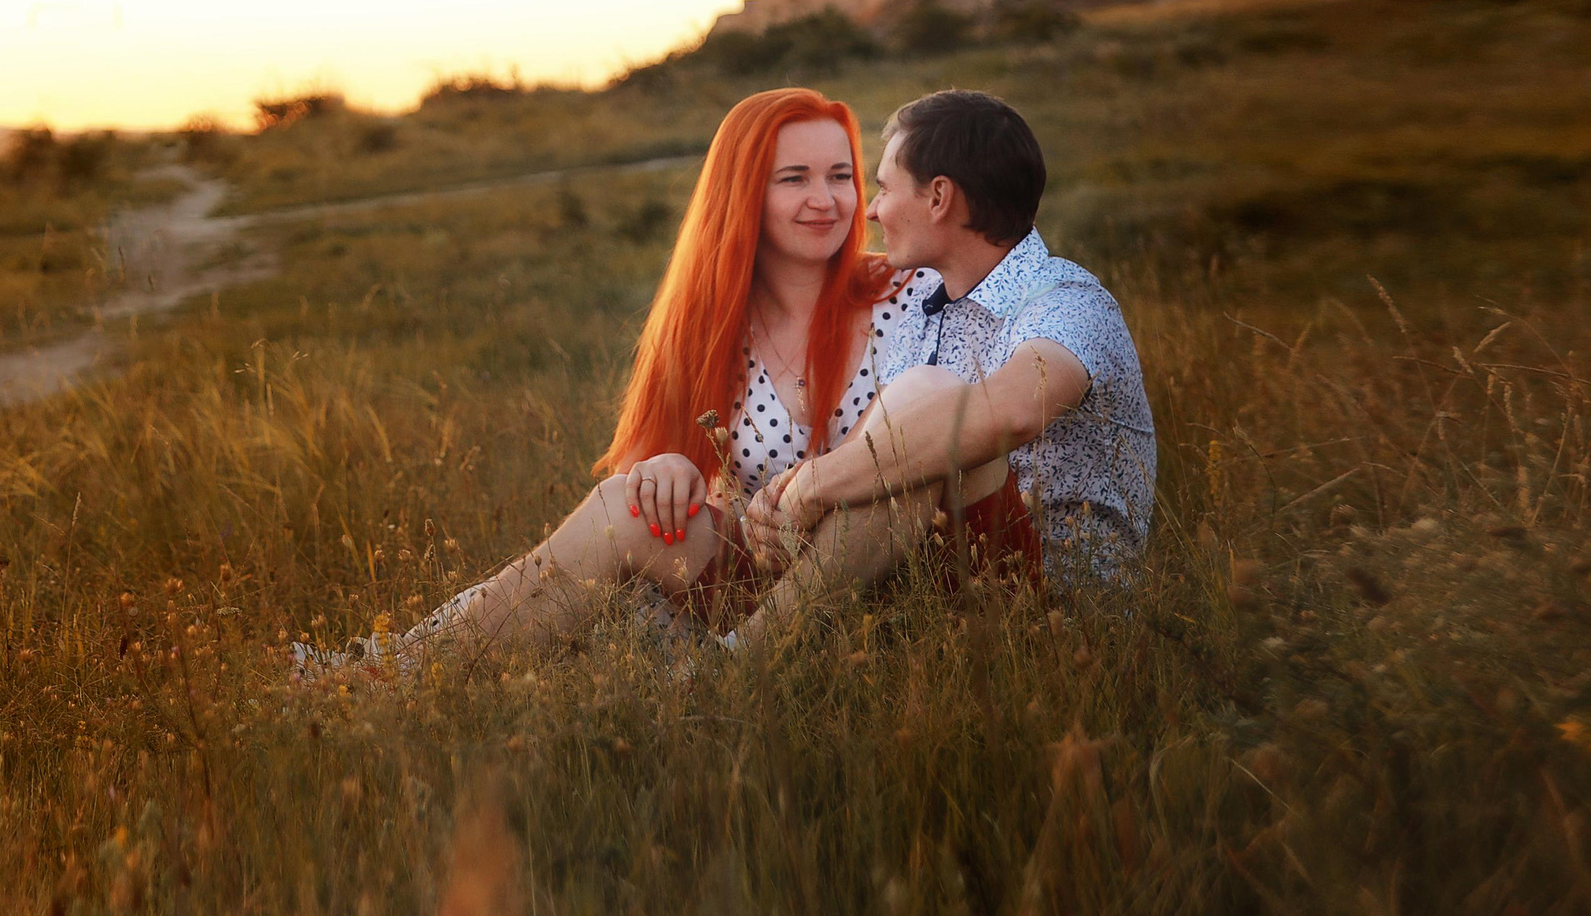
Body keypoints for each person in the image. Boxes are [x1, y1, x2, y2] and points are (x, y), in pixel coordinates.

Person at [296, 86, 906, 676]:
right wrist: (664, 465)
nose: (825, 199)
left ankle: (385, 669)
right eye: (794, 178)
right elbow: (641, 481)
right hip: (769, 588)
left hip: (906, 572)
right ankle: (394, 670)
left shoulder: (904, 294)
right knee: (622, 509)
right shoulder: (709, 327)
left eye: (841, 176)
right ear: (743, 192)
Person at [732, 88, 1155, 643]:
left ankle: (743, 658)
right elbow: (867, 453)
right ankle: (758, 644)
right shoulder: (926, 310)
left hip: (1063, 617)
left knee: (934, 425)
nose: (873, 208)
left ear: (938, 199)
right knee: (907, 442)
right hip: (940, 593)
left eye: (883, 188)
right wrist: (787, 503)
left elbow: (1015, 412)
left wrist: (815, 485)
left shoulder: (1068, 301)